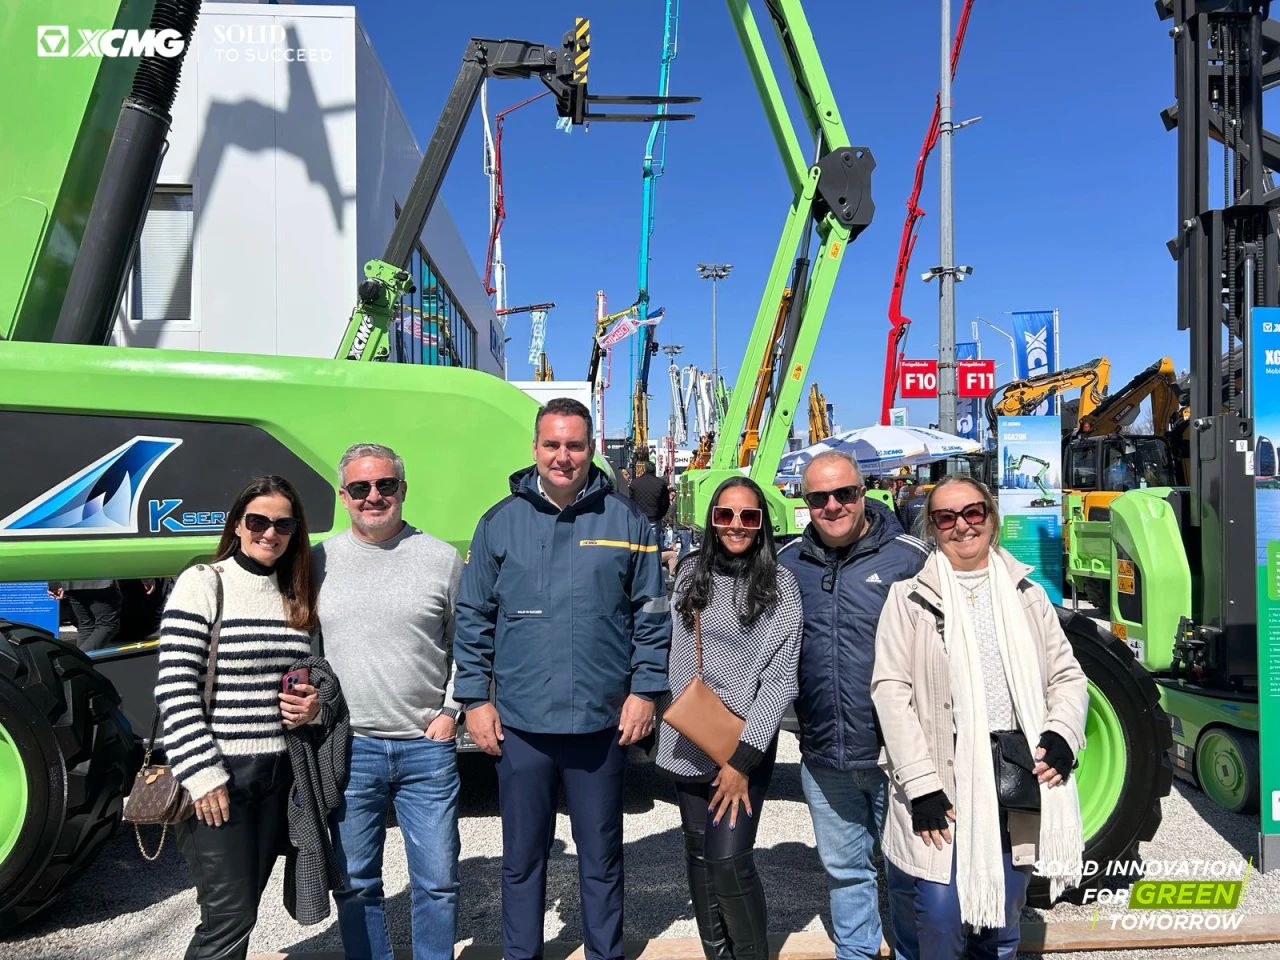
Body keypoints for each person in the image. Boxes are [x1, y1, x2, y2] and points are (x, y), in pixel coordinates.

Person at [455, 396, 670, 960]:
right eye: (552, 444)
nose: (563, 456)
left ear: (591, 449)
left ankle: (605, 953)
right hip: (522, 725)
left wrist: (645, 691)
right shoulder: (499, 523)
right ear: (534, 448)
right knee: (522, 858)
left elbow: (652, 615)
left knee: (601, 857)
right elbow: (474, 617)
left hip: (601, 723)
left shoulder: (627, 522)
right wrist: (474, 699)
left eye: (574, 445)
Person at [872, 476, 1087, 960]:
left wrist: (1062, 733)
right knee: (940, 917)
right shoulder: (908, 598)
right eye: (946, 517)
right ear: (933, 528)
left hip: (1011, 774)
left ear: (991, 518)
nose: (962, 526)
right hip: (940, 779)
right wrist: (920, 785)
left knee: (1002, 919)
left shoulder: (1027, 594)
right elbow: (891, 692)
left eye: (973, 512)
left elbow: (1067, 675)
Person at [155, 476, 321, 960]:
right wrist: (203, 775)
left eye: (283, 525)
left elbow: (304, 679)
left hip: (279, 775)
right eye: (258, 521)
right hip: (221, 773)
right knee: (228, 917)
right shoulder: (205, 581)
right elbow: (175, 686)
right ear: (237, 525)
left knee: (245, 910)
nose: (270, 533)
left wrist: (311, 706)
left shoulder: (294, 593)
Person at [776, 451, 930, 960]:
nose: (833, 506)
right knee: (846, 873)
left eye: (844, 493)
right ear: (805, 503)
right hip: (824, 755)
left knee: (909, 873)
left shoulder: (910, 559)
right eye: (819, 497)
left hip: (896, 756)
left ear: (864, 493)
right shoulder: (789, 564)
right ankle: (856, 952)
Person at [314, 442, 465, 960]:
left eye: (385, 485)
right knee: (356, 882)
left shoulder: (441, 559)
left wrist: (451, 711)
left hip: (427, 747)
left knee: (438, 882)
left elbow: (467, 644)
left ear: (403, 489)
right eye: (360, 487)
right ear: (344, 496)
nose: (373, 496)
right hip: (350, 747)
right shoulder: (318, 562)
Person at [657, 477, 803, 960]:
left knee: (728, 860)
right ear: (712, 520)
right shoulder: (691, 572)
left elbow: (779, 679)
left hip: (744, 743)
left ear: (762, 524)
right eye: (725, 515)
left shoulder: (780, 584)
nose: (736, 525)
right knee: (699, 858)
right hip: (689, 737)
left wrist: (740, 760)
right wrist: (678, 718)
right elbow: (677, 653)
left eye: (748, 516)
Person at [48, 579, 123, 651]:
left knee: (86, 626)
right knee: (107, 625)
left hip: (72, 583)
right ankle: (79, 658)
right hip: (100, 582)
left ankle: (79, 658)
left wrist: (54, 583)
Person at [628, 458, 671, 540]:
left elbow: (631, 501)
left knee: (639, 541)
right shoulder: (661, 483)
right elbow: (666, 503)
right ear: (654, 470)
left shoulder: (634, 483)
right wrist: (660, 515)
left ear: (644, 469)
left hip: (639, 518)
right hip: (654, 517)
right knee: (654, 542)